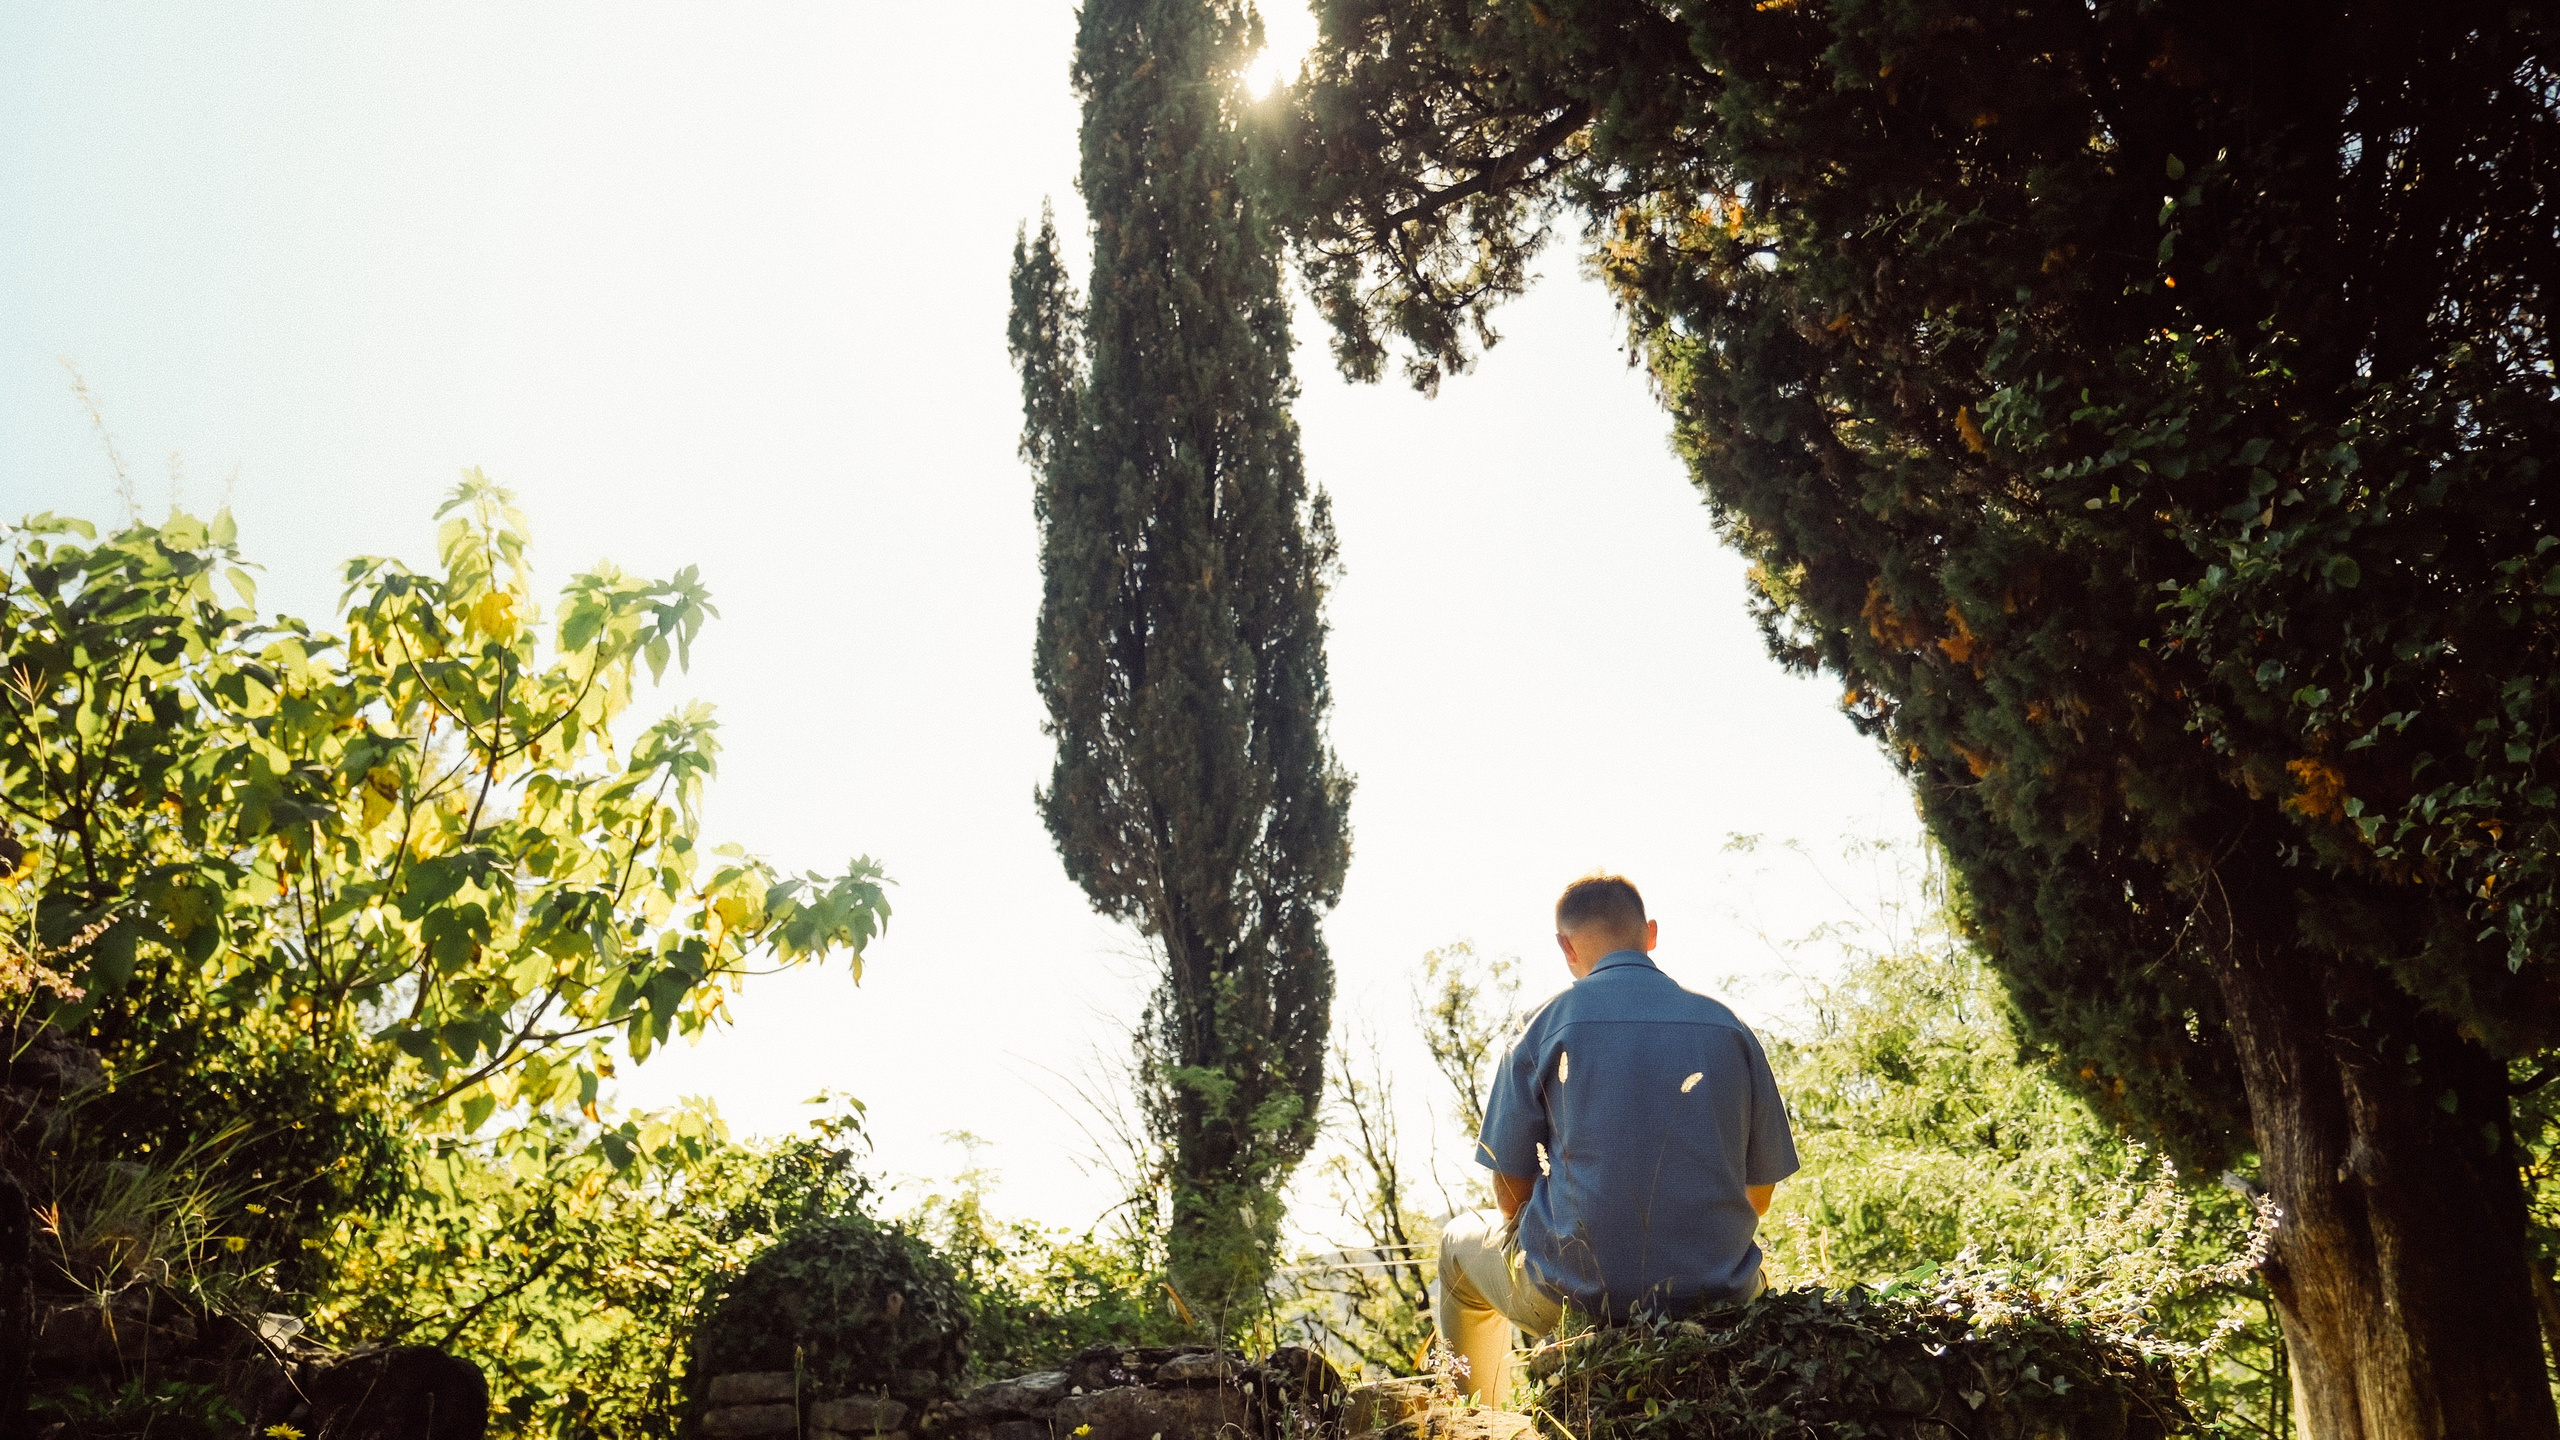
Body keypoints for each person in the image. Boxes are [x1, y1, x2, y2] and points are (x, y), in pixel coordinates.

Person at [1433, 873, 1799, 1406]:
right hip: (1722, 1293)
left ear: (1566, 947)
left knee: (1455, 1245)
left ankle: (1475, 1421)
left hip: (1570, 1296)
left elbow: (1509, 1191)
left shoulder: (1543, 1026)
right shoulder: (1729, 1027)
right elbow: (1758, 1196)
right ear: (1650, 934)